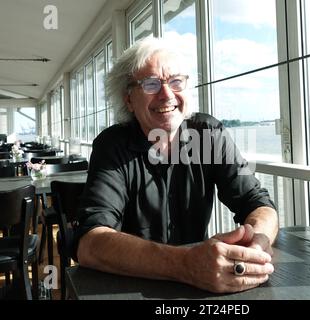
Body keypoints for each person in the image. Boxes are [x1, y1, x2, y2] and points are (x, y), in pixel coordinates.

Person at [74, 37, 279, 294]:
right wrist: (185, 264)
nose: (167, 94)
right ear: (128, 99)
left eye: (176, 82)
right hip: (129, 287)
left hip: (202, 287)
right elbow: (90, 244)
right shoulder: (112, 145)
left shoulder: (207, 134)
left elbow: (258, 204)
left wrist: (257, 246)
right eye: (151, 84)